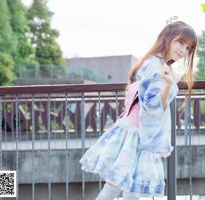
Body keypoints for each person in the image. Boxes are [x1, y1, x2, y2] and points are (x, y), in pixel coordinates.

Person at [79, 20, 197, 200]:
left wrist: (170, 80)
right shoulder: (154, 65)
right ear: (168, 38)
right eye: (181, 43)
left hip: (140, 133)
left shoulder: (160, 65)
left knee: (124, 190)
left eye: (188, 48)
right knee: (121, 189)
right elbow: (151, 104)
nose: (183, 50)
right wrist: (168, 84)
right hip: (137, 134)